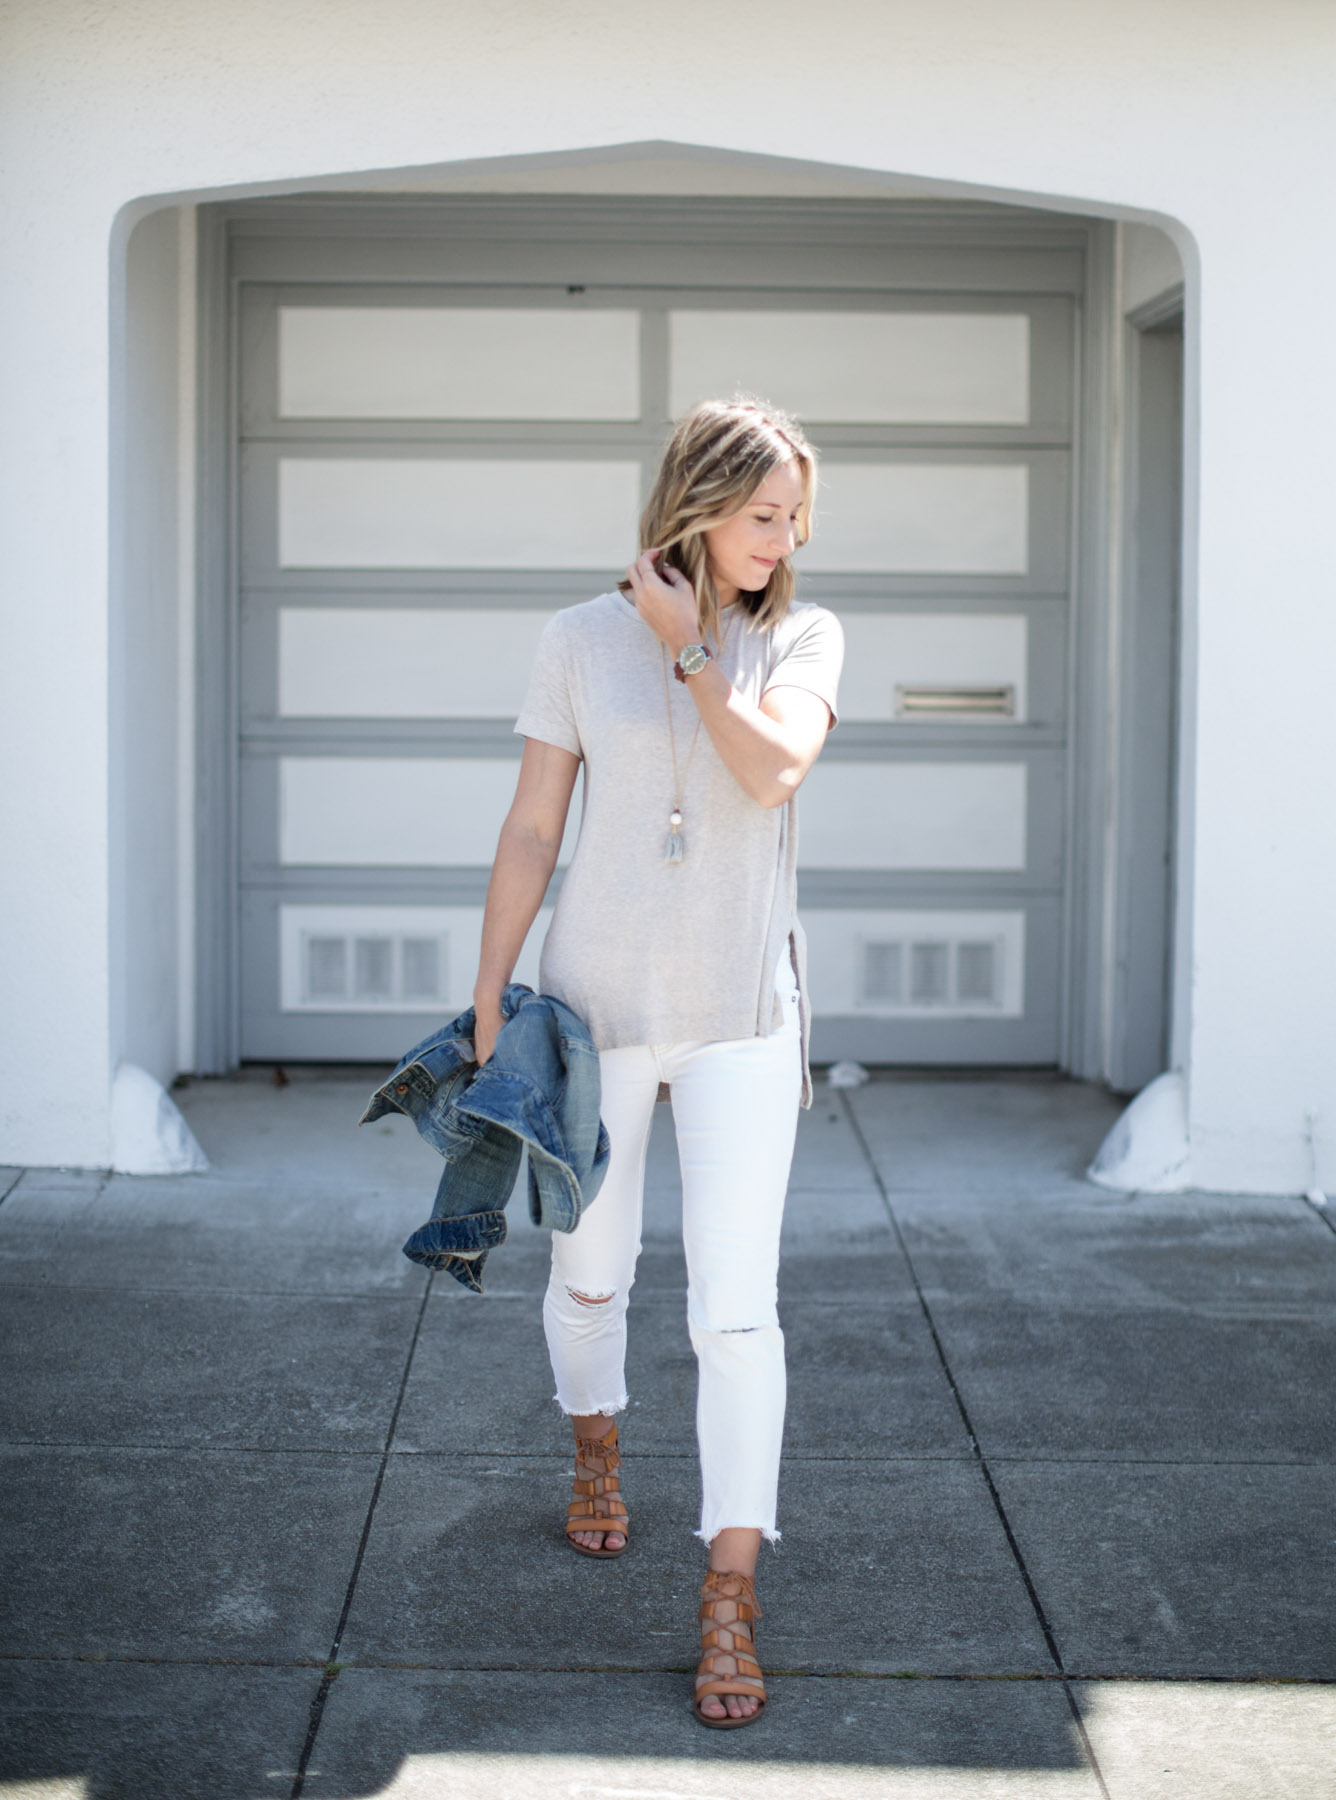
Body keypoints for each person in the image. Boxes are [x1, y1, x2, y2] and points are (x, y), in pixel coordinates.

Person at [471, 397, 843, 1728]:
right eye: (764, 513)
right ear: (696, 503)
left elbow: (775, 771)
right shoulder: (576, 639)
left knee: (737, 1312)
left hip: (744, 1013)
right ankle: (596, 1446)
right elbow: (530, 831)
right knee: (590, 1277)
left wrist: (696, 657)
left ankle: (729, 1599)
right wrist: (485, 994)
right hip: (593, 1010)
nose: (785, 536)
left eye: (796, 516)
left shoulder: (796, 635)